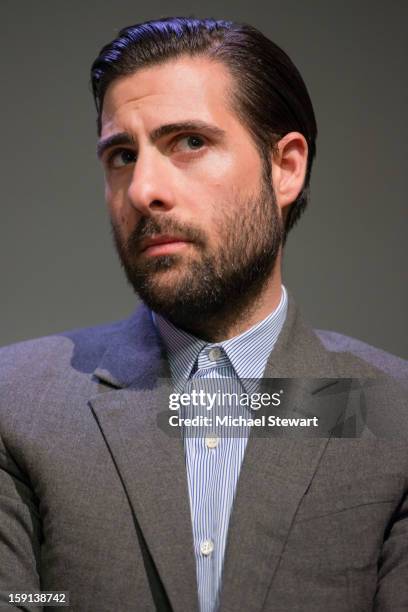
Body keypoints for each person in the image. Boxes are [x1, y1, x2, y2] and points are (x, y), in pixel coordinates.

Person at [0, 17, 407, 612]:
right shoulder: (14, 405)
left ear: (286, 167)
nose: (143, 189)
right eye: (120, 154)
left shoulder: (395, 415)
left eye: (189, 142)